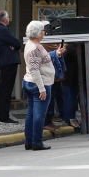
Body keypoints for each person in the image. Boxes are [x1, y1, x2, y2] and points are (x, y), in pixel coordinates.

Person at [23, 21, 59, 150]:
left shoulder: (32, 44)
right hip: (38, 83)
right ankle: (37, 142)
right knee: (39, 115)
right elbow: (35, 69)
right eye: (43, 30)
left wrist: (55, 54)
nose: (44, 32)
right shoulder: (34, 48)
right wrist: (42, 88)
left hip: (30, 81)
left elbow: (40, 60)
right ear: (38, 33)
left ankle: (29, 141)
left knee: (32, 114)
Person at [0, 10, 22, 124]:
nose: (9, 19)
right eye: (8, 17)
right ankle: (3, 116)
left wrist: (13, 44)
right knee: (6, 90)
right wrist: (13, 44)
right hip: (8, 61)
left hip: (5, 61)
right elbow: (17, 43)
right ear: (4, 19)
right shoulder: (2, 30)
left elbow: (15, 44)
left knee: (4, 89)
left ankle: (1, 115)